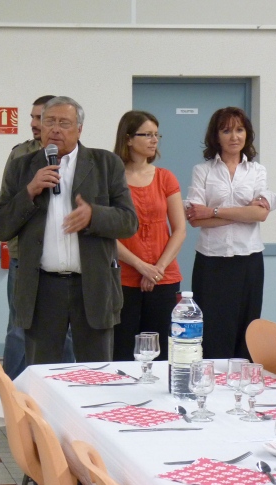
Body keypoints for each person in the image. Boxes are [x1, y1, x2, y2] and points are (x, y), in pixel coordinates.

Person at [0, 96, 138, 365]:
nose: (55, 129)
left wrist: (94, 215)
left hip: (92, 286)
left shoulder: (106, 164)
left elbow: (129, 222)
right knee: (42, 377)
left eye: (64, 123)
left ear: (79, 129)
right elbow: (1, 226)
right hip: (42, 289)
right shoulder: (21, 166)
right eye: (49, 122)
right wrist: (30, 191)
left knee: (95, 373)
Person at [185, 107, 276, 360]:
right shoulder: (202, 171)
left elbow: (259, 215)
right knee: (213, 329)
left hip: (248, 260)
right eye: (226, 130)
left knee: (246, 327)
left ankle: (239, 389)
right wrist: (241, 212)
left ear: (247, 134)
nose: (234, 136)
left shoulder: (256, 171)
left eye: (239, 130)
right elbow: (196, 219)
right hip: (211, 260)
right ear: (215, 136)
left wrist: (214, 210)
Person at [0, 95, 76, 379]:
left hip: (64, 256)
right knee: (19, 329)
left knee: (66, 333)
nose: (34, 124)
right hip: (25, 256)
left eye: (40, 118)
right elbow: (7, 207)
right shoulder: (20, 156)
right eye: (34, 118)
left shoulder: (78, 159)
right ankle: (14, 393)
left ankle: (65, 389)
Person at [112, 111, 185, 361]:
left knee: (161, 350)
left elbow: (179, 229)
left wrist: (157, 269)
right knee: (123, 349)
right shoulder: (113, 179)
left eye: (157, 135)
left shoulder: (165, 177)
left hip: (163, 277)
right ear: (129, 138)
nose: (154, 140)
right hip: (124, 276)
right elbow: (107, 234)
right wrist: (141, 266)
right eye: (147, 134)